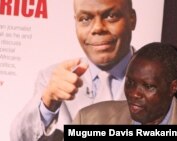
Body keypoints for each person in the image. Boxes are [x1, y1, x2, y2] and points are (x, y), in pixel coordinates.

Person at [10, 0, 136, 140]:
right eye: (85, 19)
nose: (98, 28)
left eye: (111, 16)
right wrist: (48, 103)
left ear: (132, 19)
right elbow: (20, 138)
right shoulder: (52, 80)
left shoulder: (161, 81)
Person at [73, 42, 177, 125]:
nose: (134, 93)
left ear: (173, 87)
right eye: (130, 82)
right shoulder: (89, 120)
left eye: (148, 86)